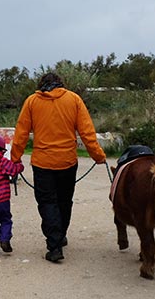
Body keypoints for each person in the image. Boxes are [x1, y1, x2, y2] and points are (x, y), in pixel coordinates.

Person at [10, 72, 106, 263]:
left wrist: (15, 159)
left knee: (47, 203)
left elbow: (21, 133)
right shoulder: (74, 100)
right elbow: (87, 132)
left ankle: (54, 246)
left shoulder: (32, 102)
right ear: (61, 84)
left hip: (42, 163)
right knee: (64, 201)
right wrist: (98, 156)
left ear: (41, 84)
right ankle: (60, 236)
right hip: (67, 162)